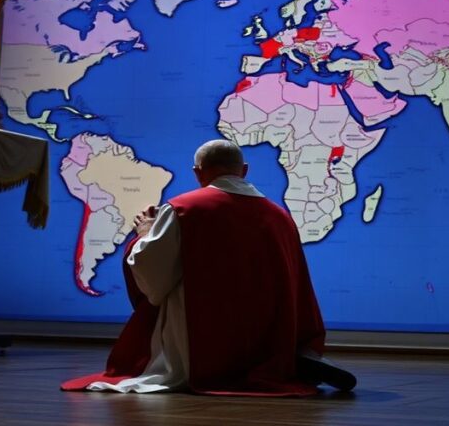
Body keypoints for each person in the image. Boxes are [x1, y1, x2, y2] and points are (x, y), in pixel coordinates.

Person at [61, 140, 356, 395]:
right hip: (265, 334)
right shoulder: (279, 216)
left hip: (204, 334)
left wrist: (145, 234)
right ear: (244, 170)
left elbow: (154, 274)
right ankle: (292, 361)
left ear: (197, 172)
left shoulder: (184, 209)